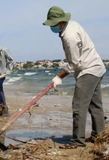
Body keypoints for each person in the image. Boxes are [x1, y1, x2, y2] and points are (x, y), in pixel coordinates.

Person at [43, 6, 106, 148]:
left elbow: (74, 64)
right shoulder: (72, 25)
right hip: (96, 67)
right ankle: (99, 137)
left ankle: (78, 141)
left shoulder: (69, 36)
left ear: (59, 22)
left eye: (52, 24)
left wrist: (58, 77)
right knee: (95, 105)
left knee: (79, 106)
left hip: (88, 70)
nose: (51, 27)